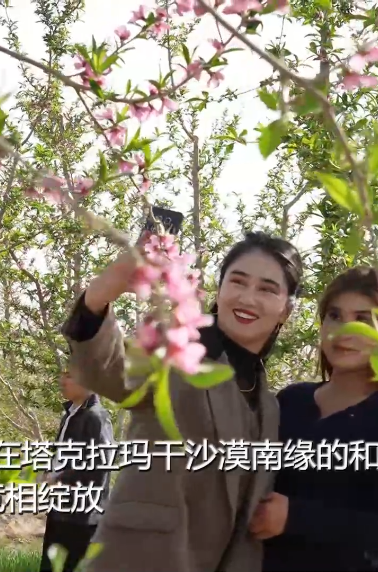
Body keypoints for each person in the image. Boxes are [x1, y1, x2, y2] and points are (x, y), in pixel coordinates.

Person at [60, 230, 303, 572]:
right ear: (220, 289)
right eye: (238, 281)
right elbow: (109, 371)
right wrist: (101, 294)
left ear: (286, 310)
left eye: (267, 289)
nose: (248, 298)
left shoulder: (270, 406)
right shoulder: (177, 349)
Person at [250, 266, 378, 572]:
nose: (345, 331)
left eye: (363, 320)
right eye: (335, 316)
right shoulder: (291, 400)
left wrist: (293, 516)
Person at [38, 369, 115, 572]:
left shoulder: (96, 418)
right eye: (62, 374)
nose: (62, 380)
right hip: (61, 511)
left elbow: (100, 466)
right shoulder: (70, 415)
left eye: (70, 376)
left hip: (82, 518)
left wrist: (59, 478)